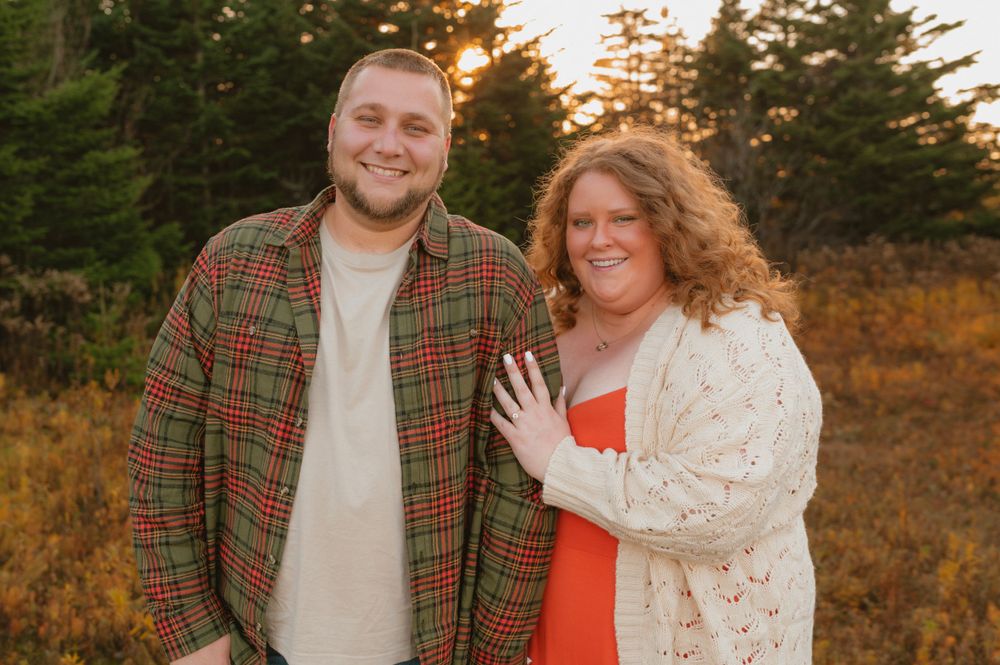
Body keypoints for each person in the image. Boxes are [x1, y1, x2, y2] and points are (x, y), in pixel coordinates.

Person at [129, 48, 560, 665]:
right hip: (256, 643)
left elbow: (522, 490)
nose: (389, 145)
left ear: (445, 148)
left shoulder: (495, 278)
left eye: (416, 128)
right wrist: (194, 634)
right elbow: (162, 454)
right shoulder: (234, 262)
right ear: (334, 130)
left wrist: (493, 653)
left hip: (432, 649)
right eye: (369, 119)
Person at [490, 127, 822, 664]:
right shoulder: (542, 322)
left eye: (624, 218)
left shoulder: (733, 334)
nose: (599, 239)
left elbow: (720, 509)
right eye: (581, 222)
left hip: (679, 644)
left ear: (668, 225)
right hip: (547, 640)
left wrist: (559, 463)